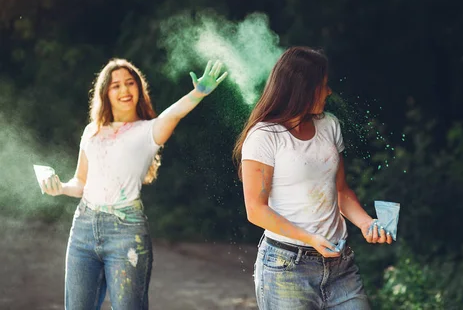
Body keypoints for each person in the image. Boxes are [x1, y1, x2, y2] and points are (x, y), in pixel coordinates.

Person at [41, 58, 227, 310]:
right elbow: (80, 181)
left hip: (126, 233)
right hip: (83, 230)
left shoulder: (149, 131)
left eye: (130, 83)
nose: (124, 90)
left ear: (139, 89)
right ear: (105, 92)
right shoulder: (91, 132)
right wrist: (60, 187)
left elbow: (173, 114)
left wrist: (198, 93)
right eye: (116, 85)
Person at [233, 46, 392, 310]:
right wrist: (309, 238)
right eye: (324, 85)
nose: (329, 92)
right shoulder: (263, 137)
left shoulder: (330, 125)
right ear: (302, 88)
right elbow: (256, 210)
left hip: (340, 267)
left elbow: (341, 191)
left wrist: (365, 223)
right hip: (286, 269)